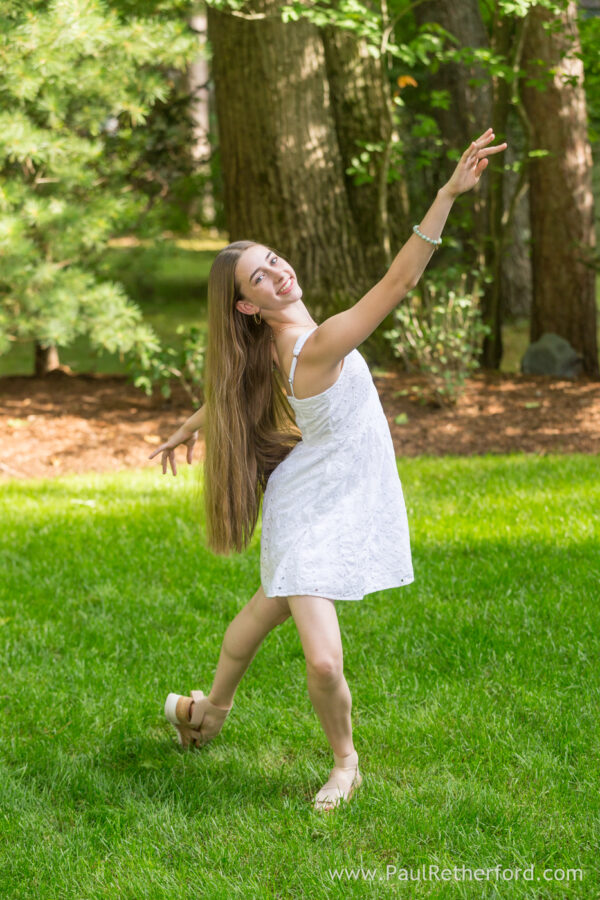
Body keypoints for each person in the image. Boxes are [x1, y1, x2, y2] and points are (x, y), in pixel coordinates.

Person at [149, 128, 507, 812]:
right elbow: (399, 282)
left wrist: (186, 428)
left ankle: (205, 714)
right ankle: (347, 764)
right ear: (248, 306)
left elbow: (230, 390)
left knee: (259, 616)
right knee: (319, 658)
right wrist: (444, 195)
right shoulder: (313, 346)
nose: (280, 271)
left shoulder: (276, 343)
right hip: (311, 502)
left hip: (325, 485)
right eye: (261, 276)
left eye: (275, 259)